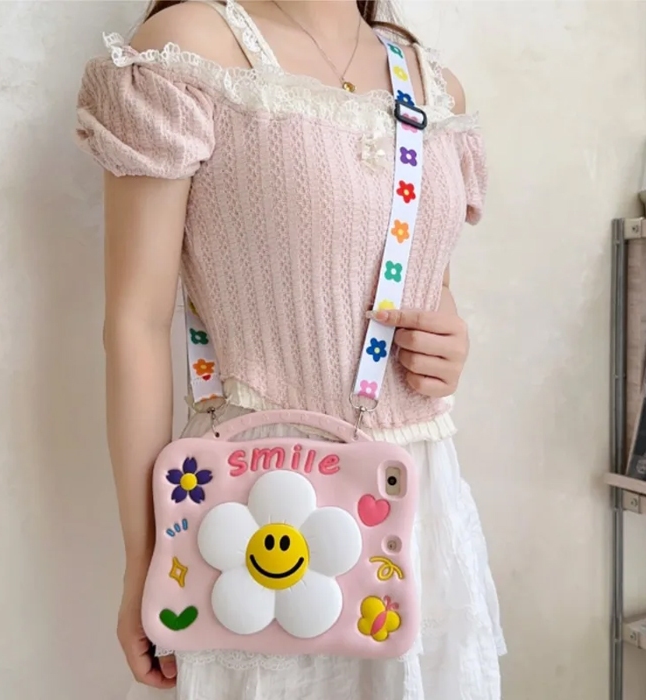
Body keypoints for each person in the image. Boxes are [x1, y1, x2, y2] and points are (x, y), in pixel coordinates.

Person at [76, 1, 505, 698]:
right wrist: (146, 555)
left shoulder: (432, 83)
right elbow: (136, 324)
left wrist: (448, 341)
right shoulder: (189, 51)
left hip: (413, 494)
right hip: (254, 498)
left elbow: (427, 282)